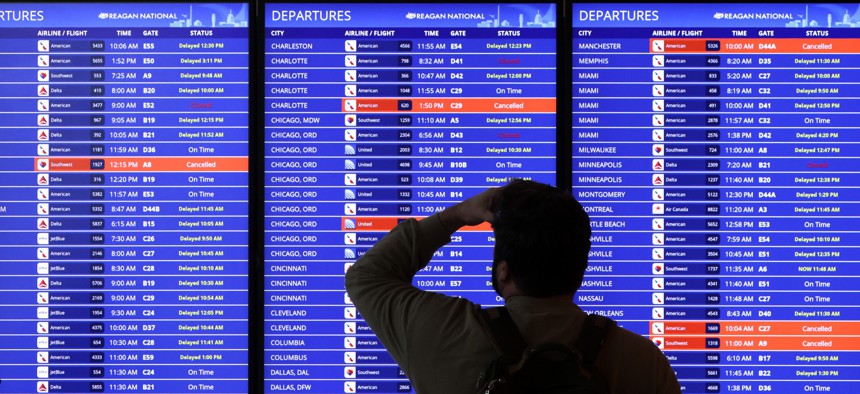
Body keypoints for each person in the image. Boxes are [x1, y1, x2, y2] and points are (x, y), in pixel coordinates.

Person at [345, 180, 681, 393]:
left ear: (503, 272)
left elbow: (366, 276)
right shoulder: (643, 362)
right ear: (580, 270)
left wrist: (457, 215)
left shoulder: (440, 332)